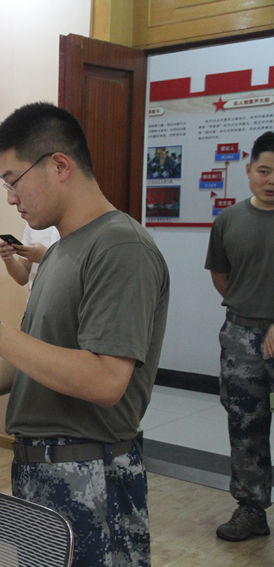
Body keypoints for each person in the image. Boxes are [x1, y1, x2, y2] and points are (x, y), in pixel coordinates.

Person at [0, 103, 170, 567]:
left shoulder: (120, 246)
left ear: (59, 165)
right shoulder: (60, 252)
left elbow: (105, 381)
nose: (11, 198)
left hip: (91, 472)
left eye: (13, 181)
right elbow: (26, 364)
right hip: (42, 471)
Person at [205, 131, 274, 542]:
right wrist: (250, 312)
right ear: (248, 171)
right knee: (245, 424)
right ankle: (251, 509)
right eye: (264, 170)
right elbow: (221, 275)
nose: (271, 180)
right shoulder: (228, 220)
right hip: (241, 336)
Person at [0, 224, 60, 289]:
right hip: (35, 293)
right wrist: (9, 259)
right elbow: (22, 278)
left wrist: (45, 256)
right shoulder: (33, 223)